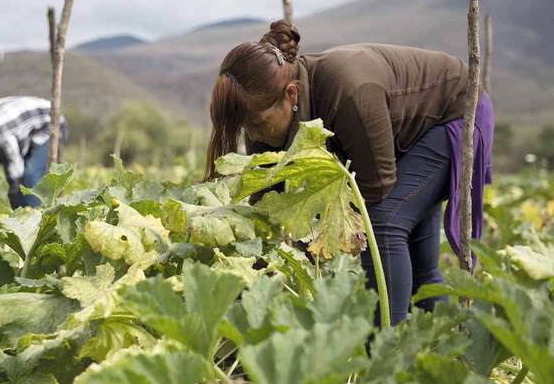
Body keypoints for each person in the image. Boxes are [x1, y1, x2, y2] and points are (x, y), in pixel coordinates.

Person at [205, 20, 494, 326]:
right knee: (420, 262)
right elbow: (265, 209)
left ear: (291, 94)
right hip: (407, 134)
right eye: (246, 127)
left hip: (456, 113)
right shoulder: (261, 113)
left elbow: (376, 188)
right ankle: (439, 347)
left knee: (383, 223)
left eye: (259, 123)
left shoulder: (348, 90)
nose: (254, 134)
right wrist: (252, 273)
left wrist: (318, 236)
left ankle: (383, 356)